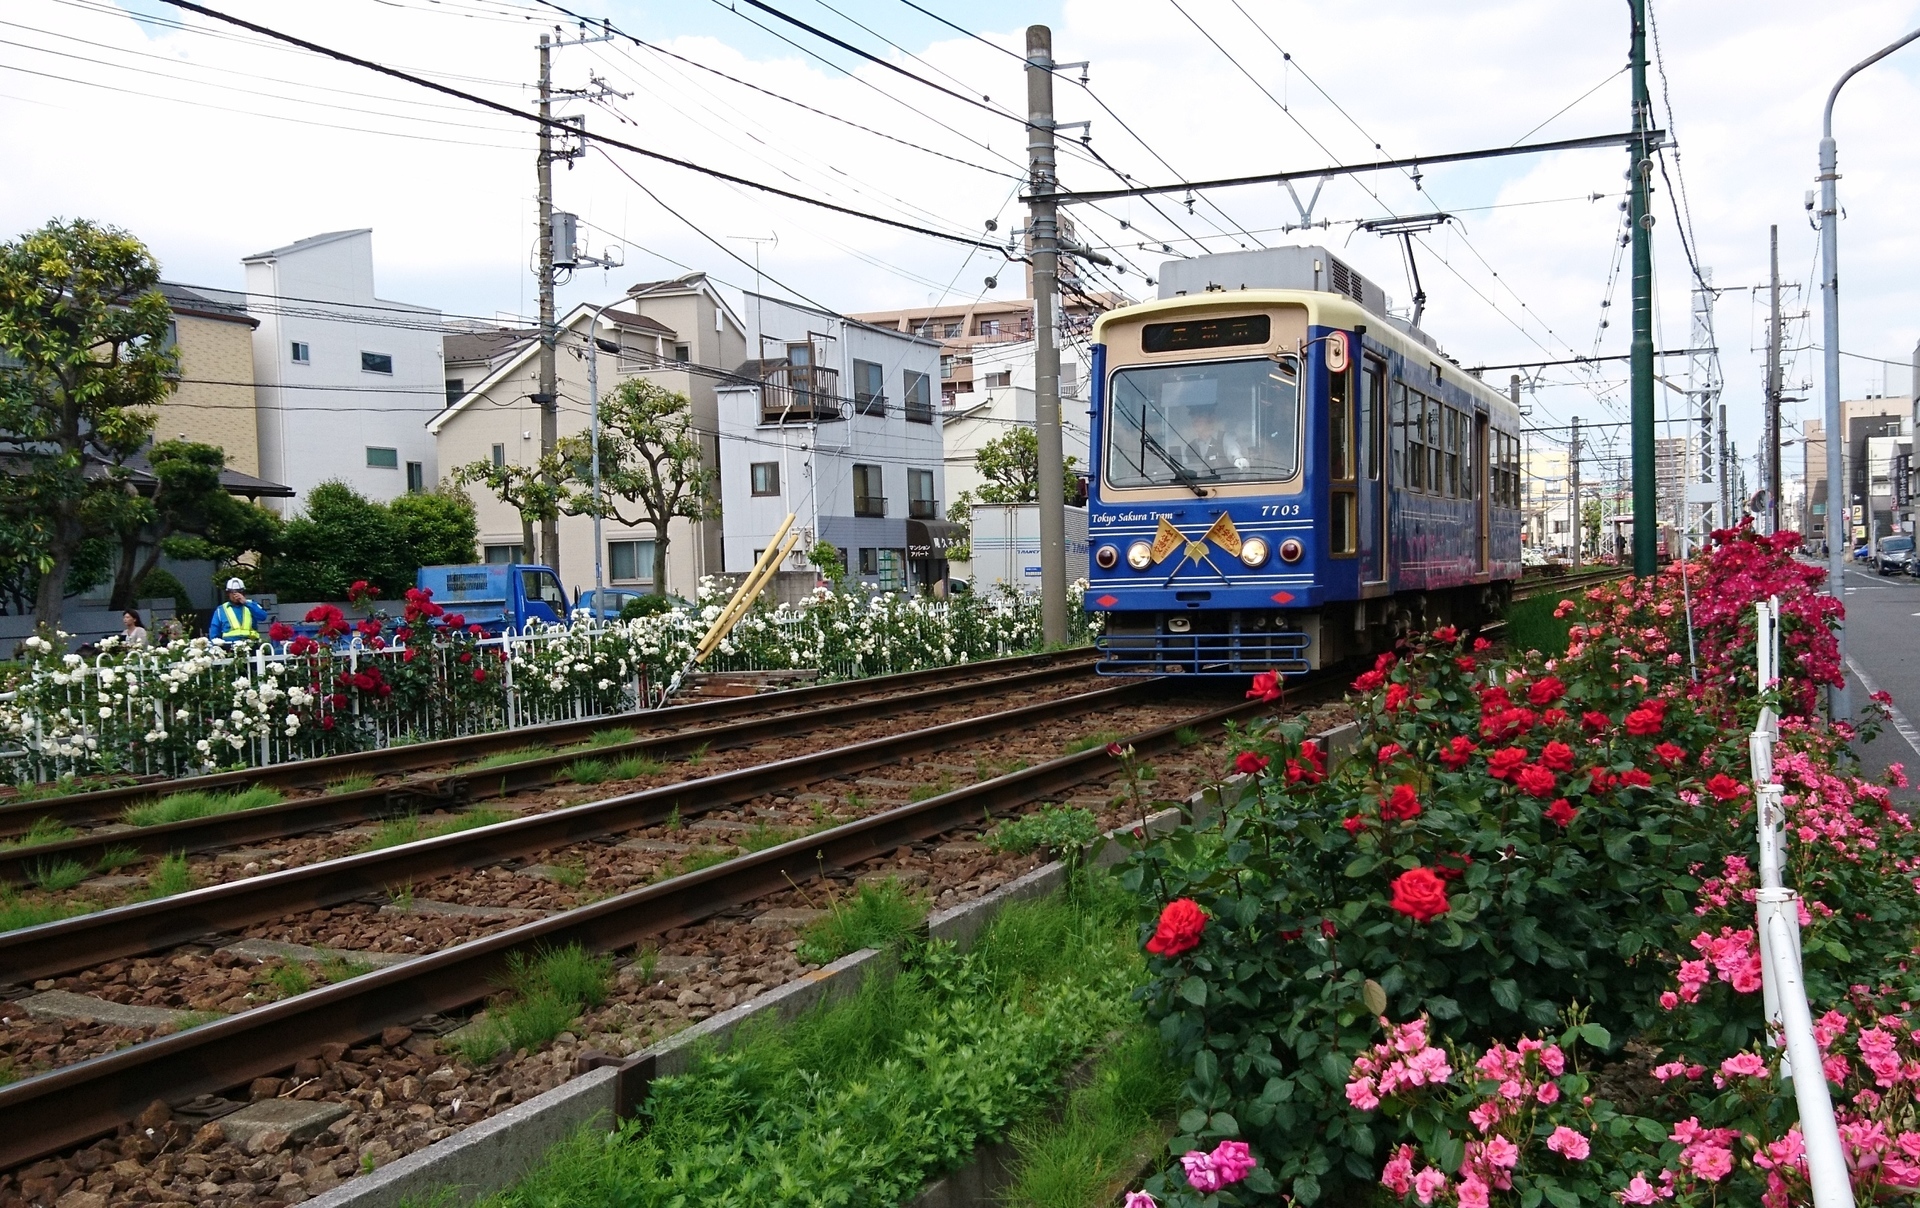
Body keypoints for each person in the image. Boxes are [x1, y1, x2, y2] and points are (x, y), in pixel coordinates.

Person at [207, 577, 270, 644]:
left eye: (239, 592)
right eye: (233, 592)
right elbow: (214, 632)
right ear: (228, 593)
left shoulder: (251, 605)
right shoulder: (221, 610)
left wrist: (246, 603)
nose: (236, 595)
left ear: (243, 593)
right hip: (229, 646)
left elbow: (263, 616)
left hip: (251, 644)